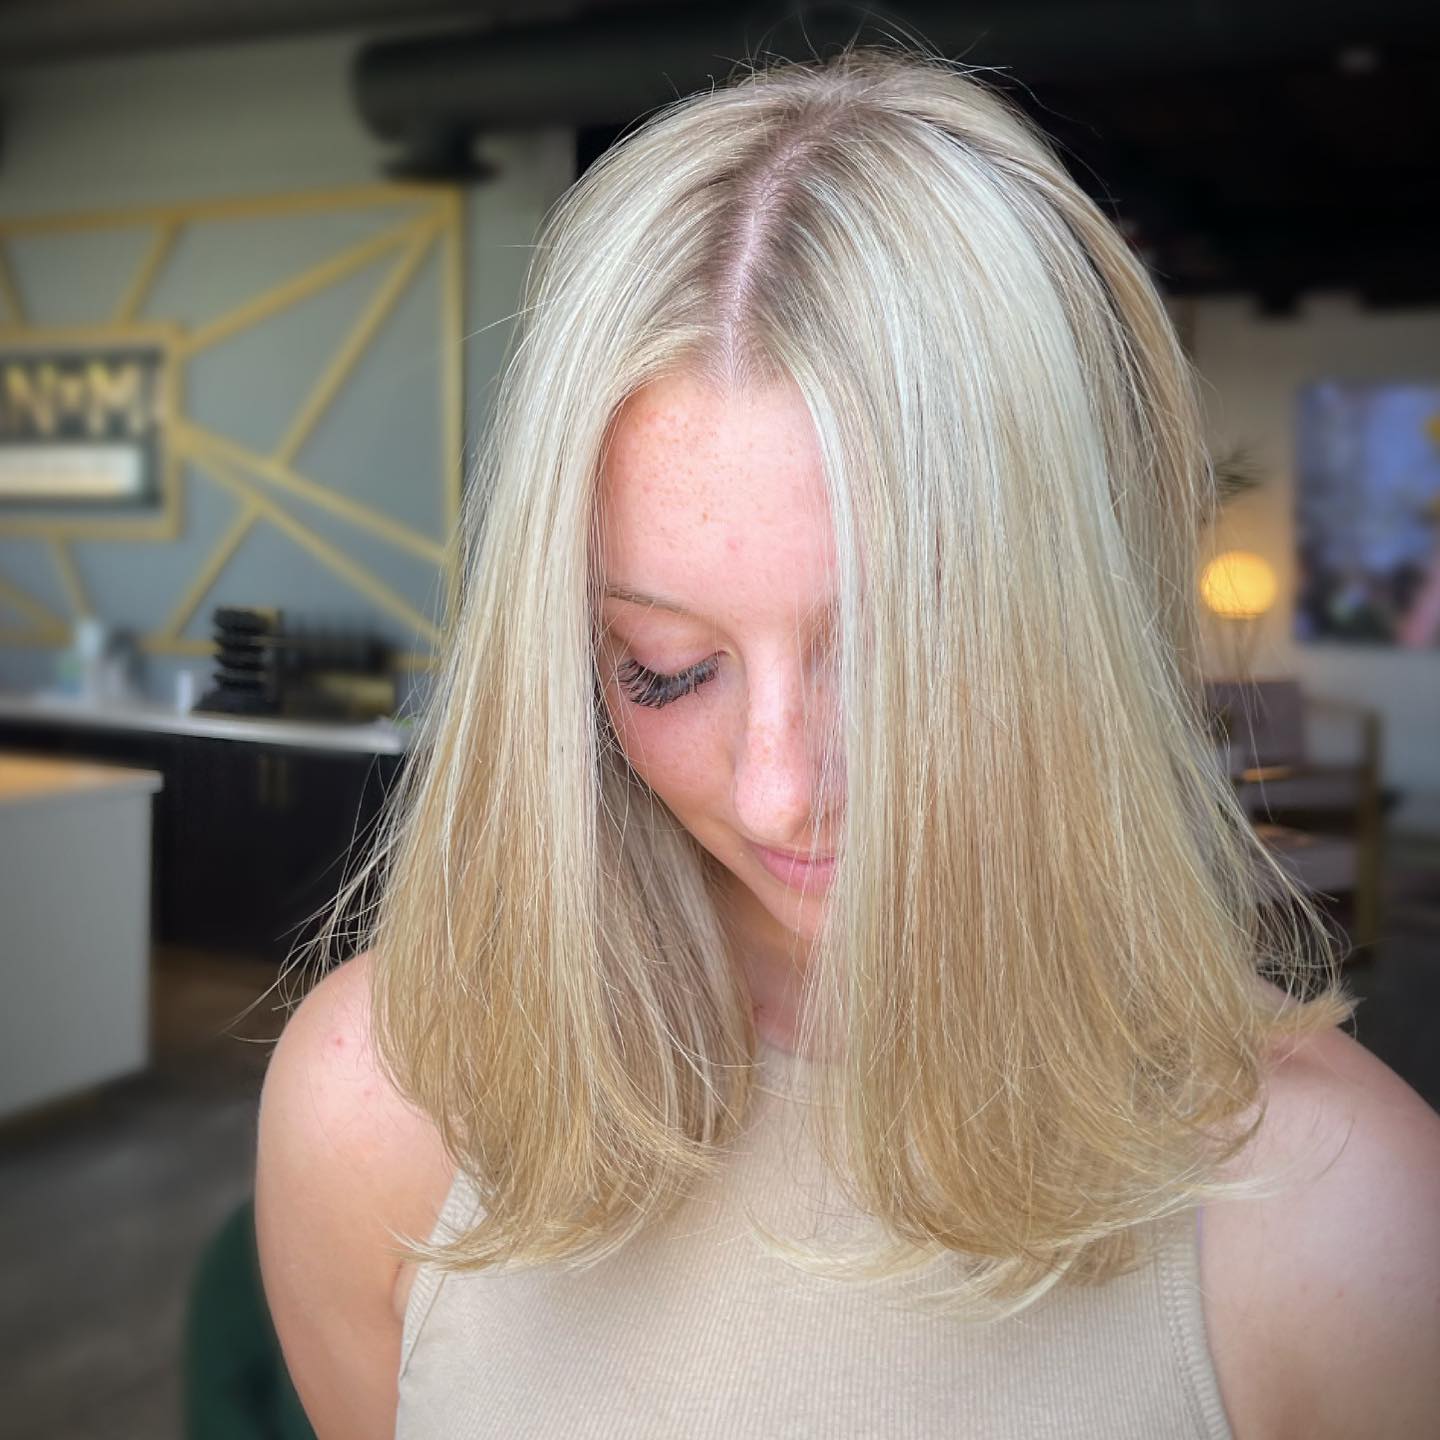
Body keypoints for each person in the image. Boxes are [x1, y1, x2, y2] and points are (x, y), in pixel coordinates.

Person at [254, 44, 1440, 1440]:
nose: (781, 791)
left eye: (897, 657)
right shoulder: (381, 1102)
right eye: (668, 670)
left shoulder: (1346, 1219)